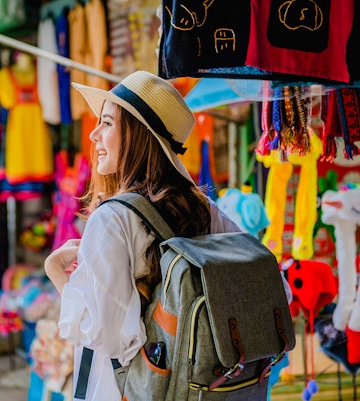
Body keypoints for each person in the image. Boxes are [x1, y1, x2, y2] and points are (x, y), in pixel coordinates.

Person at [44, 71, 245, 400]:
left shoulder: (112, 220)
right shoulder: (206, 211)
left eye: (107, 123)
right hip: (201, 387)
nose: (94, 134)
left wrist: (57, 273)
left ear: (138, 134)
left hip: (133, 389)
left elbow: (102, 335)